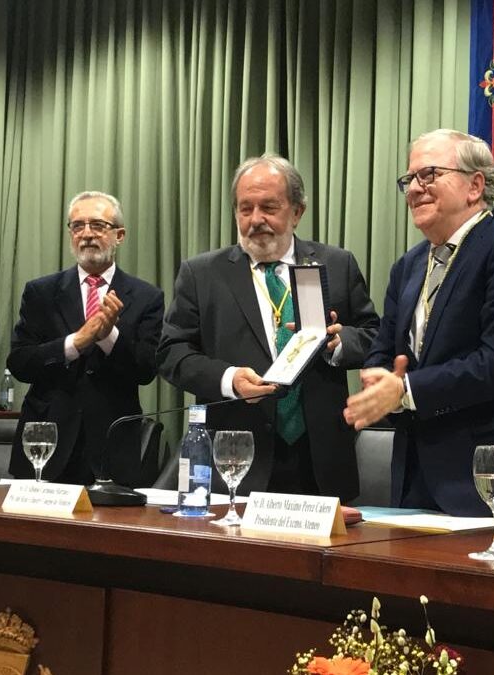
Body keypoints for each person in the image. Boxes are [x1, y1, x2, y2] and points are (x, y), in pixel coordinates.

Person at [344, 129, 494, 519]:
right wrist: (378, 381)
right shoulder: (408, 266)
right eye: (409, 180)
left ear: (475, 186)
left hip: (491, 480)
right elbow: (384, 351)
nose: (415, 188)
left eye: (429, 175)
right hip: (414, 481)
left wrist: (405, 390)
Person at [158, 154, 380, 502]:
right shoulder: (202, 273)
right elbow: (172, 353)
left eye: (269, 207)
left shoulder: (337, 264)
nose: (256, 220)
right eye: (245, 209)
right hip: (235, 461)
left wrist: (339, 343)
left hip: (319, 460)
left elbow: (373, 336)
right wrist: (229, 379)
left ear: (297, 211)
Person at [7, 191, 165, 485]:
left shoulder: (147, 297)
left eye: (98, 225)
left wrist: (109, 337)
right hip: (47, 444)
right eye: (77, 226)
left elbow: (146, 370)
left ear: (120, 235)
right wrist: (74, 343)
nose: (87, 234)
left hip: (112, 445)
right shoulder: (40, 292)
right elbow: (19, 362)